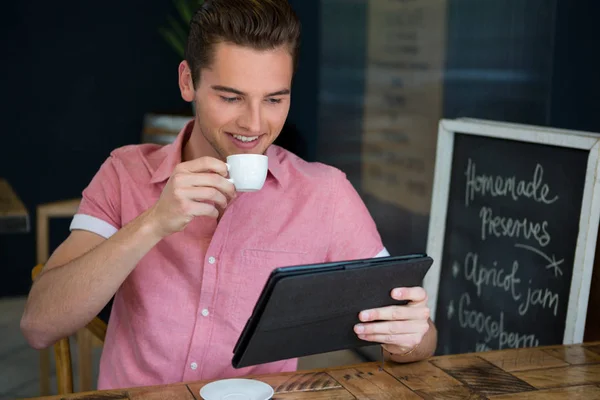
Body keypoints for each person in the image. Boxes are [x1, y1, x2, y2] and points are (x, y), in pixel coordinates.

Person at [21, 0, 437, 390]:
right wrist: (153, 223)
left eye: (274, 99)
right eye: (230, 96)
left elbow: (419, 338)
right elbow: (38, 325)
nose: (254, 123)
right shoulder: (126, 173)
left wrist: (409, 338)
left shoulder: (324, 193)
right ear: (188, 82)